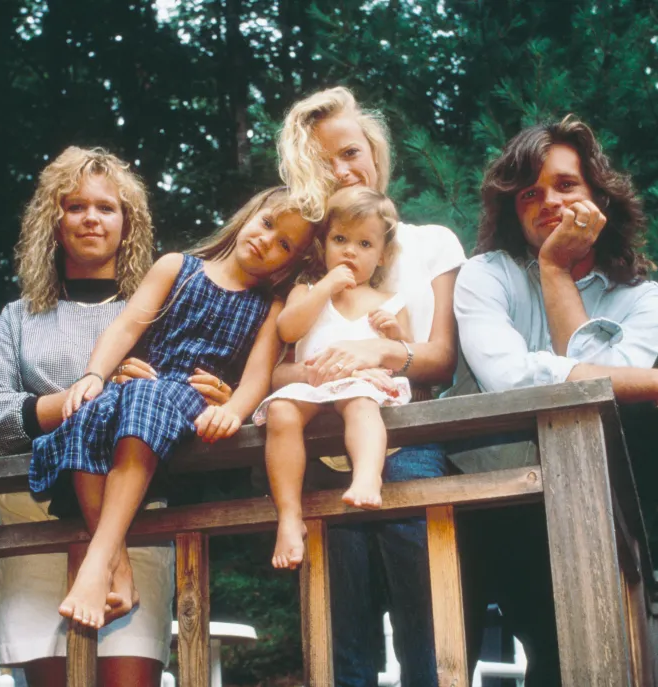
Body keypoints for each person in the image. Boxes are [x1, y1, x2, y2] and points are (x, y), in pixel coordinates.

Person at [449, 115, 658, 684]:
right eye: (529, 192)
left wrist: (554, 271)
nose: (547, 201)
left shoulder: (644, 300)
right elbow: (508, 379)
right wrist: (657, 384)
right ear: (511, 207)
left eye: (566, 185)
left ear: (600, 195)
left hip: (574, 507)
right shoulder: (485, 275)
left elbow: (595, 394)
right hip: (465, 497)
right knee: (444, 659)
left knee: (567, 663)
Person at [0, 146, 230, 686]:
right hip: (32, 521)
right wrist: (80, 400)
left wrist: (218, 397)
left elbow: (186, 405)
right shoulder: (18, 319)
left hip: (140, 518)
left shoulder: (162, 310)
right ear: (54, 222)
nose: (91, 218)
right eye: (76, 206)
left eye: (107, 207)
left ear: (127, 223)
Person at [29, 186, 316, 630]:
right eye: (267, 224)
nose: (266, 240)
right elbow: (127, 327)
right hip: (141, 385)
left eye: (284, 245)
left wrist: (234, 411)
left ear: (291, 263)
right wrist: (93, 376)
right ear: (250, 215)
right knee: (89, 412)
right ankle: (117, 568)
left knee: (146, 398)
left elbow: (258, 378)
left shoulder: (268, 306)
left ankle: (96, 559)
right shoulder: (177, 267)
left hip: (190, 396)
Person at [274, 86, 466, 685]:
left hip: (409, 435)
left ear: (377, 154)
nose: (342, 169)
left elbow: (439, 359)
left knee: (425, 618)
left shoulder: (431, 242)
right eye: (322, 161)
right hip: (319, 445)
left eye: (351, 151)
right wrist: (326, 371)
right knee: (340, 631)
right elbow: (274, 366)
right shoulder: (307, 262)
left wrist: (378, 348)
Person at [254, 186, 413, 569]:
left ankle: (367, 477)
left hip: (362, 385)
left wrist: (392, 332)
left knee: (359, 403)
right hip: (312, 384)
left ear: (382, 255)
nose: (350, 252)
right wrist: (325, 287)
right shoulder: (307, 290)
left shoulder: (388, 301)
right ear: (323, 245)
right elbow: (289, 330)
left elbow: (406, 352)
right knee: (280, 414)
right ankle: (289, 516)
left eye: (364, 244)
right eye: (340, 240)